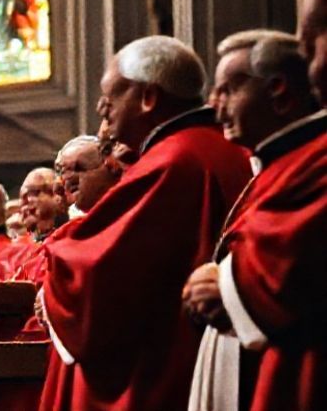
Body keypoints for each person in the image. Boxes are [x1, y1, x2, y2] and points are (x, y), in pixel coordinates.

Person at [38, 36, 252, 410]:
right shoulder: (225, 148)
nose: (102, 107)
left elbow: (100, 268)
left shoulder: (170, 161)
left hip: (168, 363)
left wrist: (55, 276)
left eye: (111, 94)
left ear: (148, 98)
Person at [184, 29, 326, 410]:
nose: (215, 106)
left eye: (229, 89)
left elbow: (297, 259)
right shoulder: (271, 166)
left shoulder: (309, 161)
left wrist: (224, 283)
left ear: (278, 92)